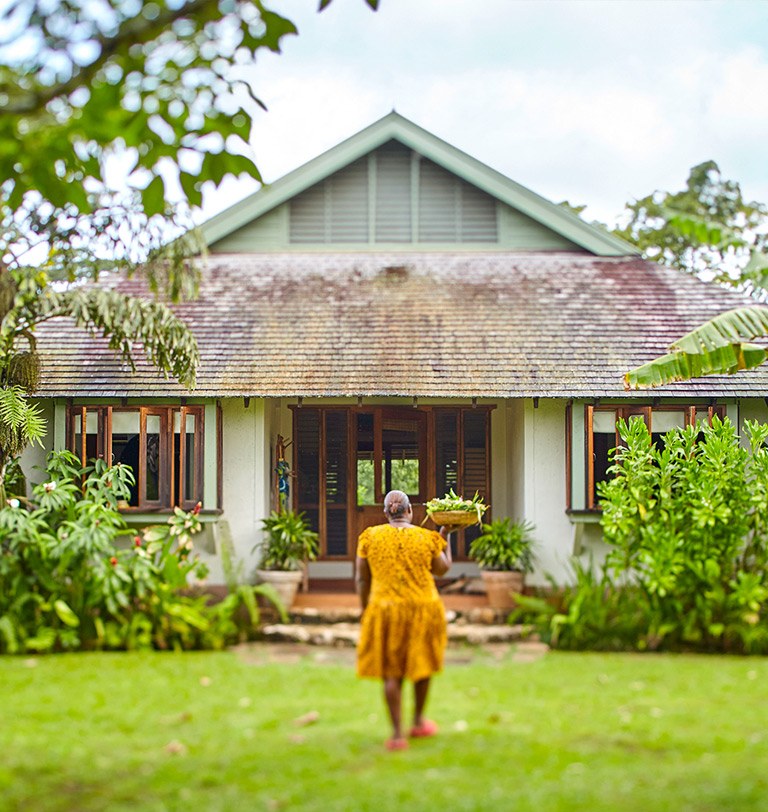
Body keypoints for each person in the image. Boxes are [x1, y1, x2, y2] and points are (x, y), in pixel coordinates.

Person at [355, 489, 455, 751]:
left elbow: (362, 579)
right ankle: (419, 722)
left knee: (391, 672)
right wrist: (445, 536)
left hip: (385, 609)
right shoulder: (427, 537)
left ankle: (398, 735)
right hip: (423, 608)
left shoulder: (369, 537)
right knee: (422, 665)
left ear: (386, 513)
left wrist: (366, 608)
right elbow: (442, 569)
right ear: (410, 511)